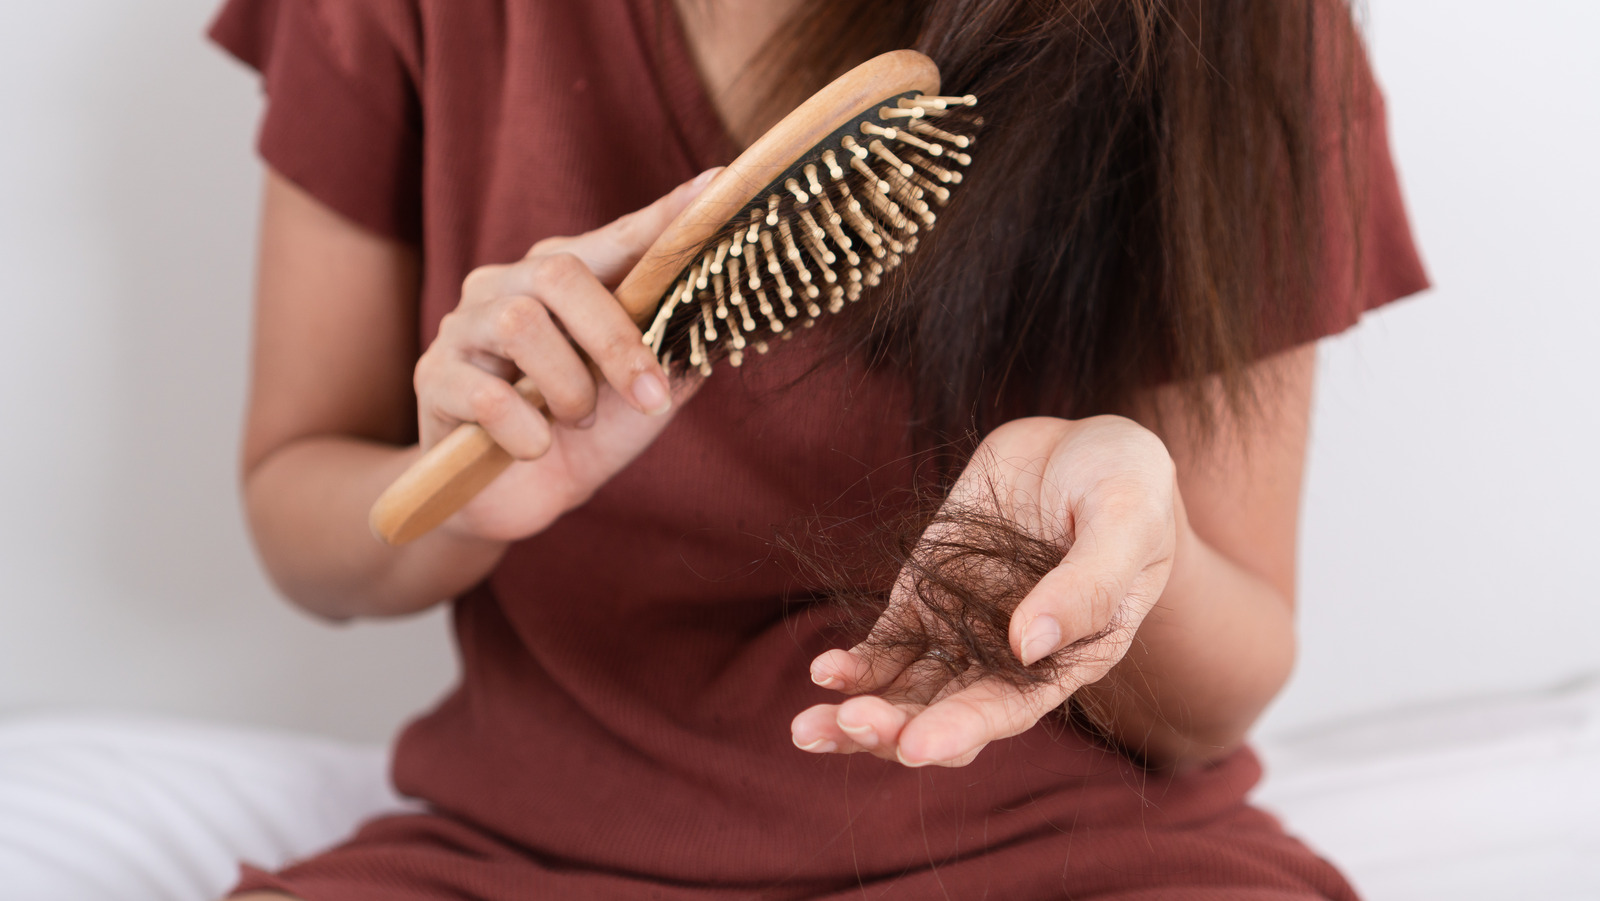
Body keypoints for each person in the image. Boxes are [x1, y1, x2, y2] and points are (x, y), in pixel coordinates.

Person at [212, 0, 1428, 897]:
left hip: (1070, 858)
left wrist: (1124, 526)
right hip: (525, 854)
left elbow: (1221, 696)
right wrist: (468, 488)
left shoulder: (1240, 34)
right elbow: (300, 517)